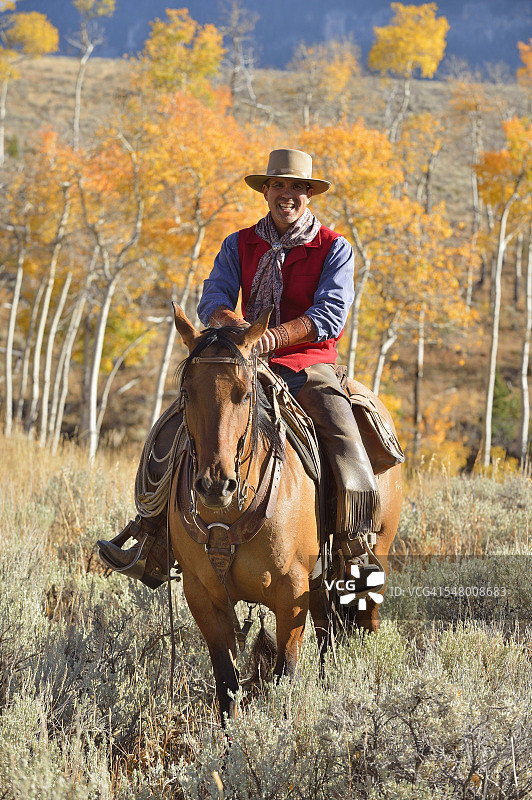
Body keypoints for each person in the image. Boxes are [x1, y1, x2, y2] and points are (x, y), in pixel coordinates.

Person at [98, 148, 381, 587]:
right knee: (173, 427)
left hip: (309, 366)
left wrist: (271, 338)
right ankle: (151, 537)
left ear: (309, 194)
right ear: (266, 190)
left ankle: (355, 552)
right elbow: (213, 300)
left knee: (343, 438)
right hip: (241, 360)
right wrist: (242, 332)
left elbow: (329, 315)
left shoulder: (335, 248)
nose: (287, 194)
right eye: (279, 185)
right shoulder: (238, 243)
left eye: (297, 187)